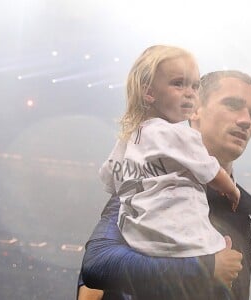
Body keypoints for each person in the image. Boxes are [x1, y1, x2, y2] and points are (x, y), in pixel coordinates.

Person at [78, 69, 251, 300]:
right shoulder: (149, 183)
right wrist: (205, 267)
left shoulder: (250, 208)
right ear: (194, 110)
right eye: (233, 105)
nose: (246, 121)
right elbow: (99, 265)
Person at [99, 45, 239, 261]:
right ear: (149, 93)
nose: (190, 93)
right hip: (182, 241)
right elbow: (212, 174)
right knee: (226, 248)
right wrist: (232, 190)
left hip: (137, 240)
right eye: (178, 84)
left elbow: (109, 178)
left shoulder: (127, 139)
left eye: (195, 86)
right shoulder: (179, 134)